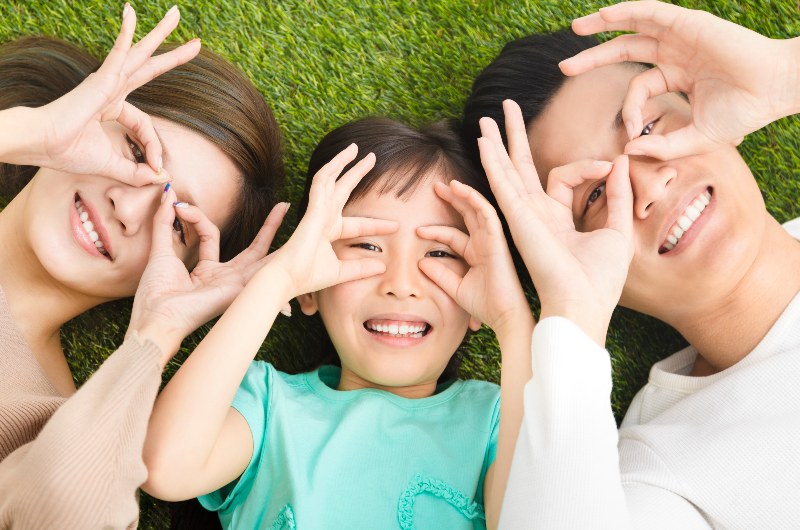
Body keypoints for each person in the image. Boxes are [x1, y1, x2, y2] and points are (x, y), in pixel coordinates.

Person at [461, 2, 800, 528]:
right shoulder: (664, 469)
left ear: (700, 105)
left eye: (646, 127)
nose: (648, 186)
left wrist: (787, 73)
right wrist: (572, 308)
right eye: (596, 195)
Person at [139, 118, 535, 530]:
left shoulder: (499, 419)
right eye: (367, 245)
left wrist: (512, 319)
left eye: (439, 253)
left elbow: (545, 513)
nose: (400, 285)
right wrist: (279, 281)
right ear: (313, 285)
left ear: (480, 297)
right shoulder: (268, 407)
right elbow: (165, 468)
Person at [0, 4, 287, 529]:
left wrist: (156, 334)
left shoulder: (60, 433)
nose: (129, 210)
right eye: (135, 150)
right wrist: (29, 134)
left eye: (175, 223)